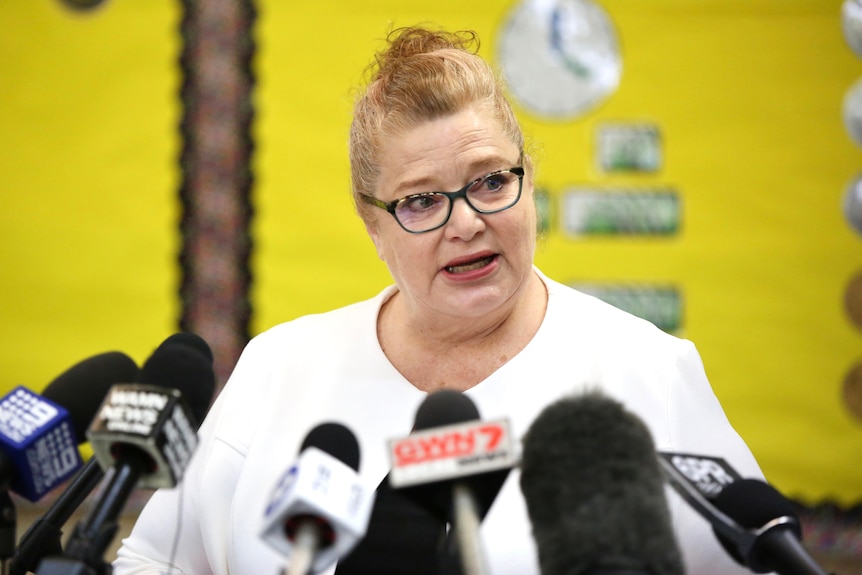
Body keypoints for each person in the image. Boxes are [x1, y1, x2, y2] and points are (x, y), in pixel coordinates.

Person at [114, 25, 765, 575]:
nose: (466, 223)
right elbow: (156, 559)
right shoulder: (278, 367)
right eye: (422, 199)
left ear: (528, 179)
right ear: (373, 220)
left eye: (488, 181)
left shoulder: (647, 369)